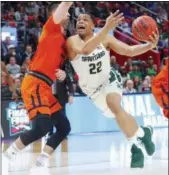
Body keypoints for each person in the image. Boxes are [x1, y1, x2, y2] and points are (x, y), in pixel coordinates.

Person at [66, 11, 159, 168]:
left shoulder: (106, 38)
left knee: (114, 104)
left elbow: (128, 51)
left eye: (85, 19)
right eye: (79, 19)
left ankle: (135, 149)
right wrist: (106, 29)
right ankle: (143, 133)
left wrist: (150, 46)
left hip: (109, 78)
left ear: (92, 26)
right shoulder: (72, 41)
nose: (80, 21)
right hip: (92, 90)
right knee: (117, 115)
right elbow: (86, 50)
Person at [4, 2, 73, 174]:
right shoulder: (52, 27)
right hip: (35, 82)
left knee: (64, 127)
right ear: (54, 13)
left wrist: (63, 75)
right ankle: (7, 156)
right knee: (42, 128)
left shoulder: (65, 42)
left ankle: (41, 162)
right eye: (66, 12)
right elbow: (65, 4)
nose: (69, 14)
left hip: (46, 86)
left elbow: (61, 69)